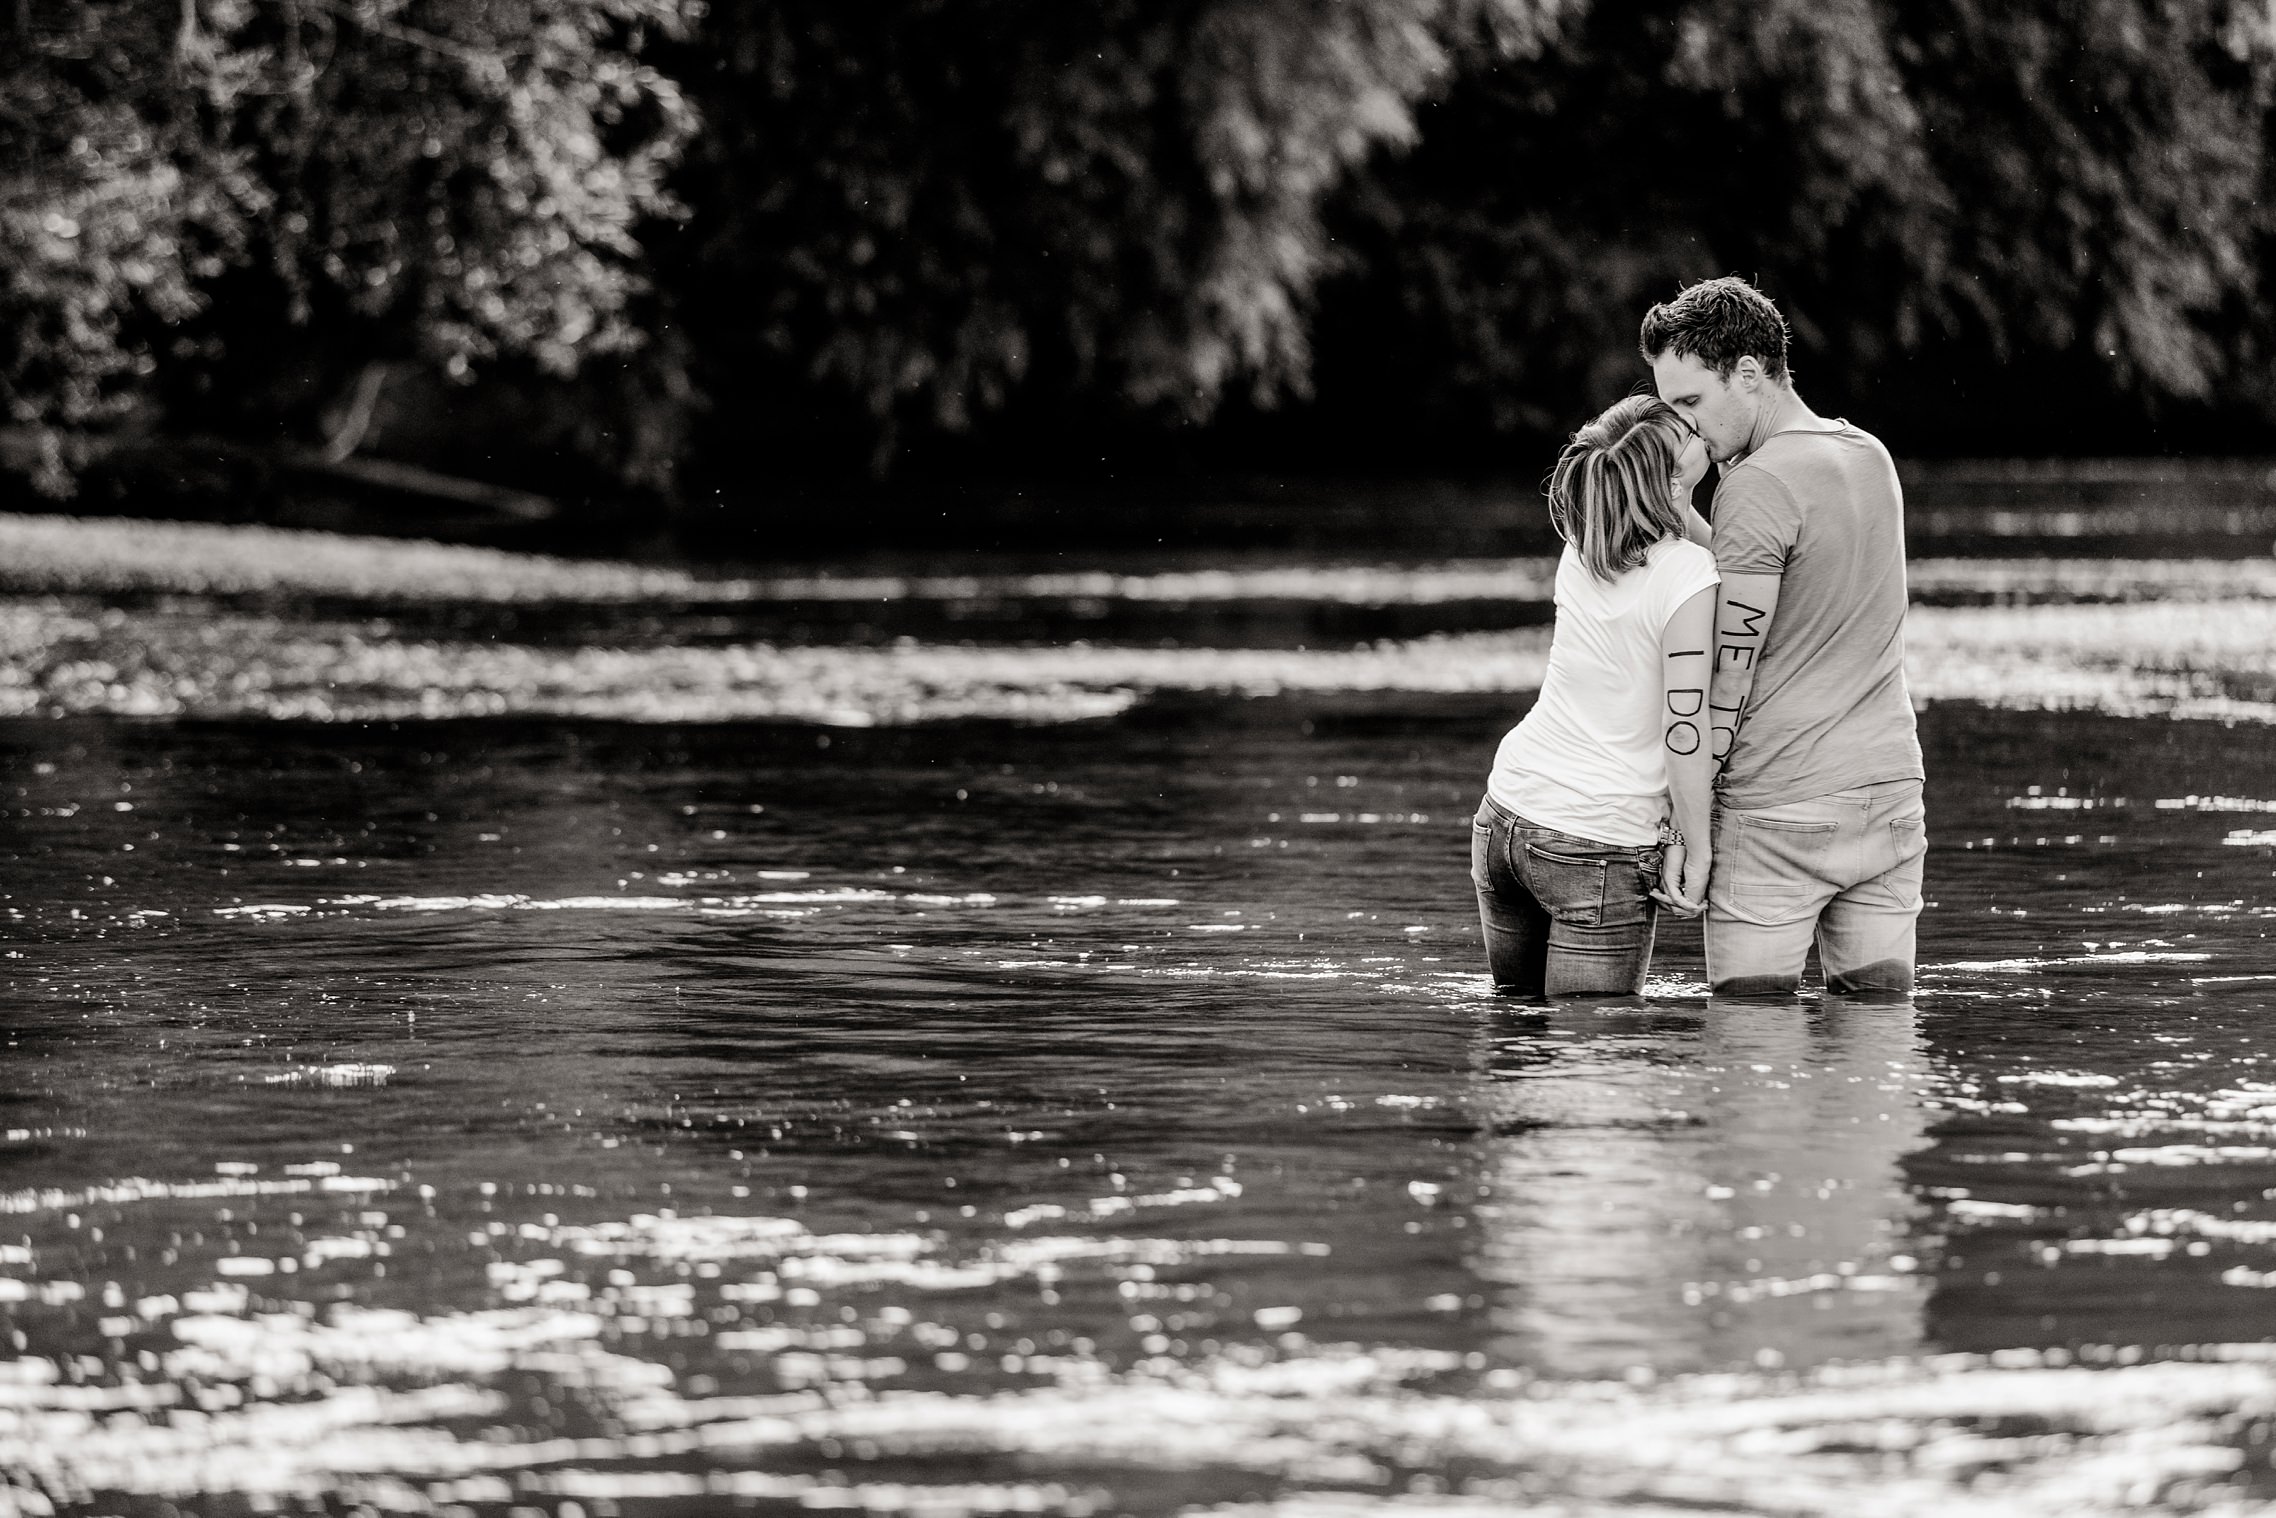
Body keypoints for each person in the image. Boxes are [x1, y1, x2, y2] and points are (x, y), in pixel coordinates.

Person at [1640, 276, 1926, 997]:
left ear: (1747, 373)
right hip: (1888, 795)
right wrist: (1691, 517)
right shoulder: (1869, 455)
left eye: (1691, 403)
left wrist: (1687, 835)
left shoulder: (1756, 484)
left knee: (1751, 1058)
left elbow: (1729, 679)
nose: (1683, 428)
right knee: (1878, 1055)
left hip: (1779, 812)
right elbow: (1790, 579)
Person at [1472, 394, 1719, 997]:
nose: (1702, 430)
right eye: (1689, 431)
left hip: (1505, 817)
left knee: (1517, 1037)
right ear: (1667, 476)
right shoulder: (1688, 575)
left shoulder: (1584, 544)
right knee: (1599, 1069)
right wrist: (1696, 846)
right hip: (1597, 845)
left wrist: (1677, 502)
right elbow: (1683, 728)